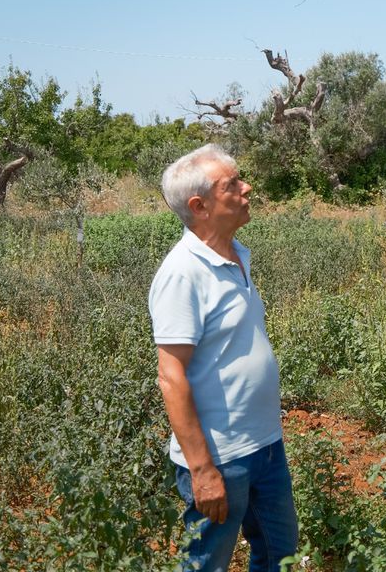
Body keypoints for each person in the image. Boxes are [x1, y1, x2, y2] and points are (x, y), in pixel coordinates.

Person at [149, 144, 298, 572]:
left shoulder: (237, 255)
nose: (247, 188)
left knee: (278, 555)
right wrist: (202, 470)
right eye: (232, 184)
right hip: (221, 457)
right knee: (205, 566)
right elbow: (171, 376)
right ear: (200, 206)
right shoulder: (182, 273)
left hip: (266, 446)